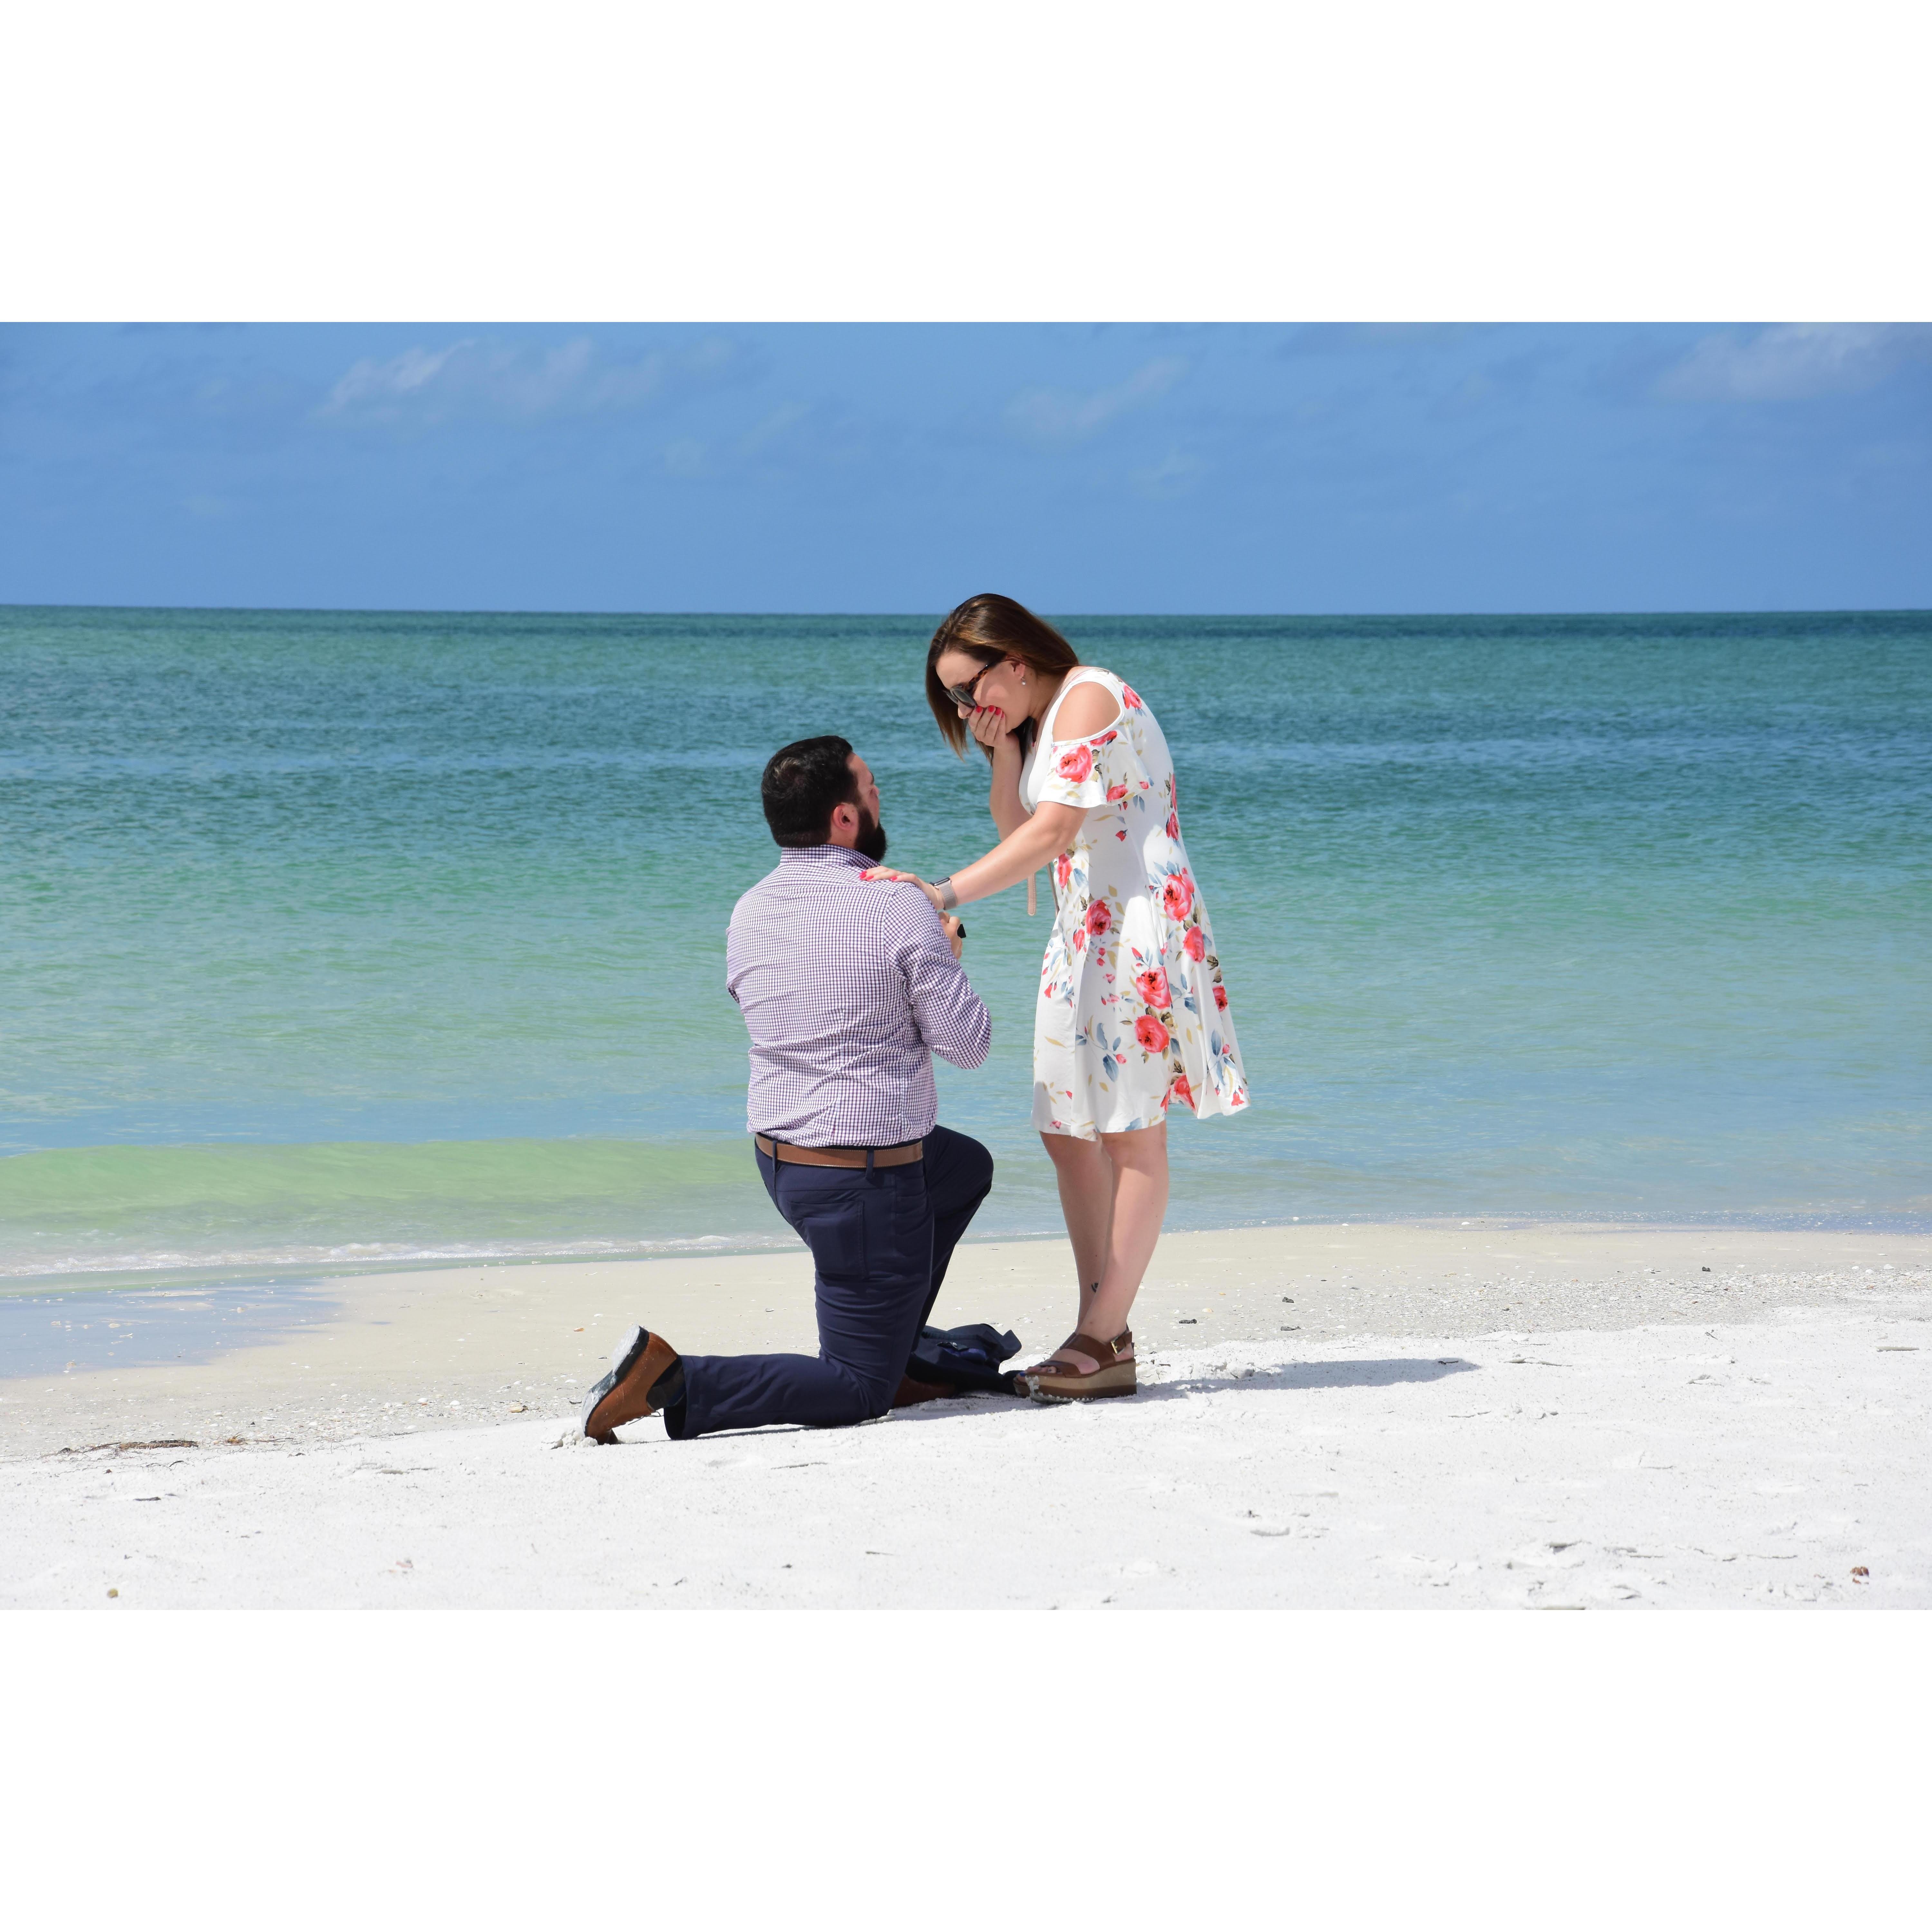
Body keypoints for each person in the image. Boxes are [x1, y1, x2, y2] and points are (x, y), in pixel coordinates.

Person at [864, 594, 1250, 1401]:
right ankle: (1102, 1331)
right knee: (1067, 1132)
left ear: (1015, 660)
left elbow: (1051, 835)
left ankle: (1101, 1337)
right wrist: (1004, 752)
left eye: (971, 688)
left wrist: (940, 894)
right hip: (1083, 932)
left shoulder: (1088, 696)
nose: (968, 708)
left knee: (1132, 1134)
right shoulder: (1041, 724)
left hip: (1137, 926)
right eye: (955, 700)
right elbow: (1023, 833)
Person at [580, 735, 996, 1443]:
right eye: (870, 786)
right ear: (844, 818)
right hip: (862, 1183)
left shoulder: (749, 909)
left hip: (782, 1163)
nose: (880, 795)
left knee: (963, 1169)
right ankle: (674, 1379)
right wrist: (947, 955)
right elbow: (969, 1045)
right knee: (858, 1389)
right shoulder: (898, 905)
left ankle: (893, 1344)